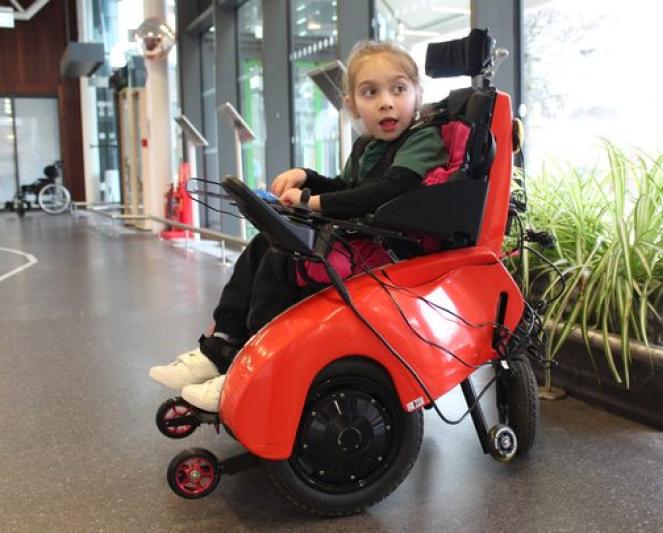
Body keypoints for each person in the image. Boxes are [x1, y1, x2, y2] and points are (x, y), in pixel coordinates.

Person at [149, 40, 447, 412]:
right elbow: (349, 189)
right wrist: (306, 177)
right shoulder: (367, 146)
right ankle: (221, 345)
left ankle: (250, 366)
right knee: (264, 243)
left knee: (283, 256)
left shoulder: (422, 140)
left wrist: (311, 201)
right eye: (371, 92)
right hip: (363, 239)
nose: (386, 101)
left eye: (398, 89)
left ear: (418, 94)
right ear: (352, 104)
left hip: (391, 251)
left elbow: (384, 192)